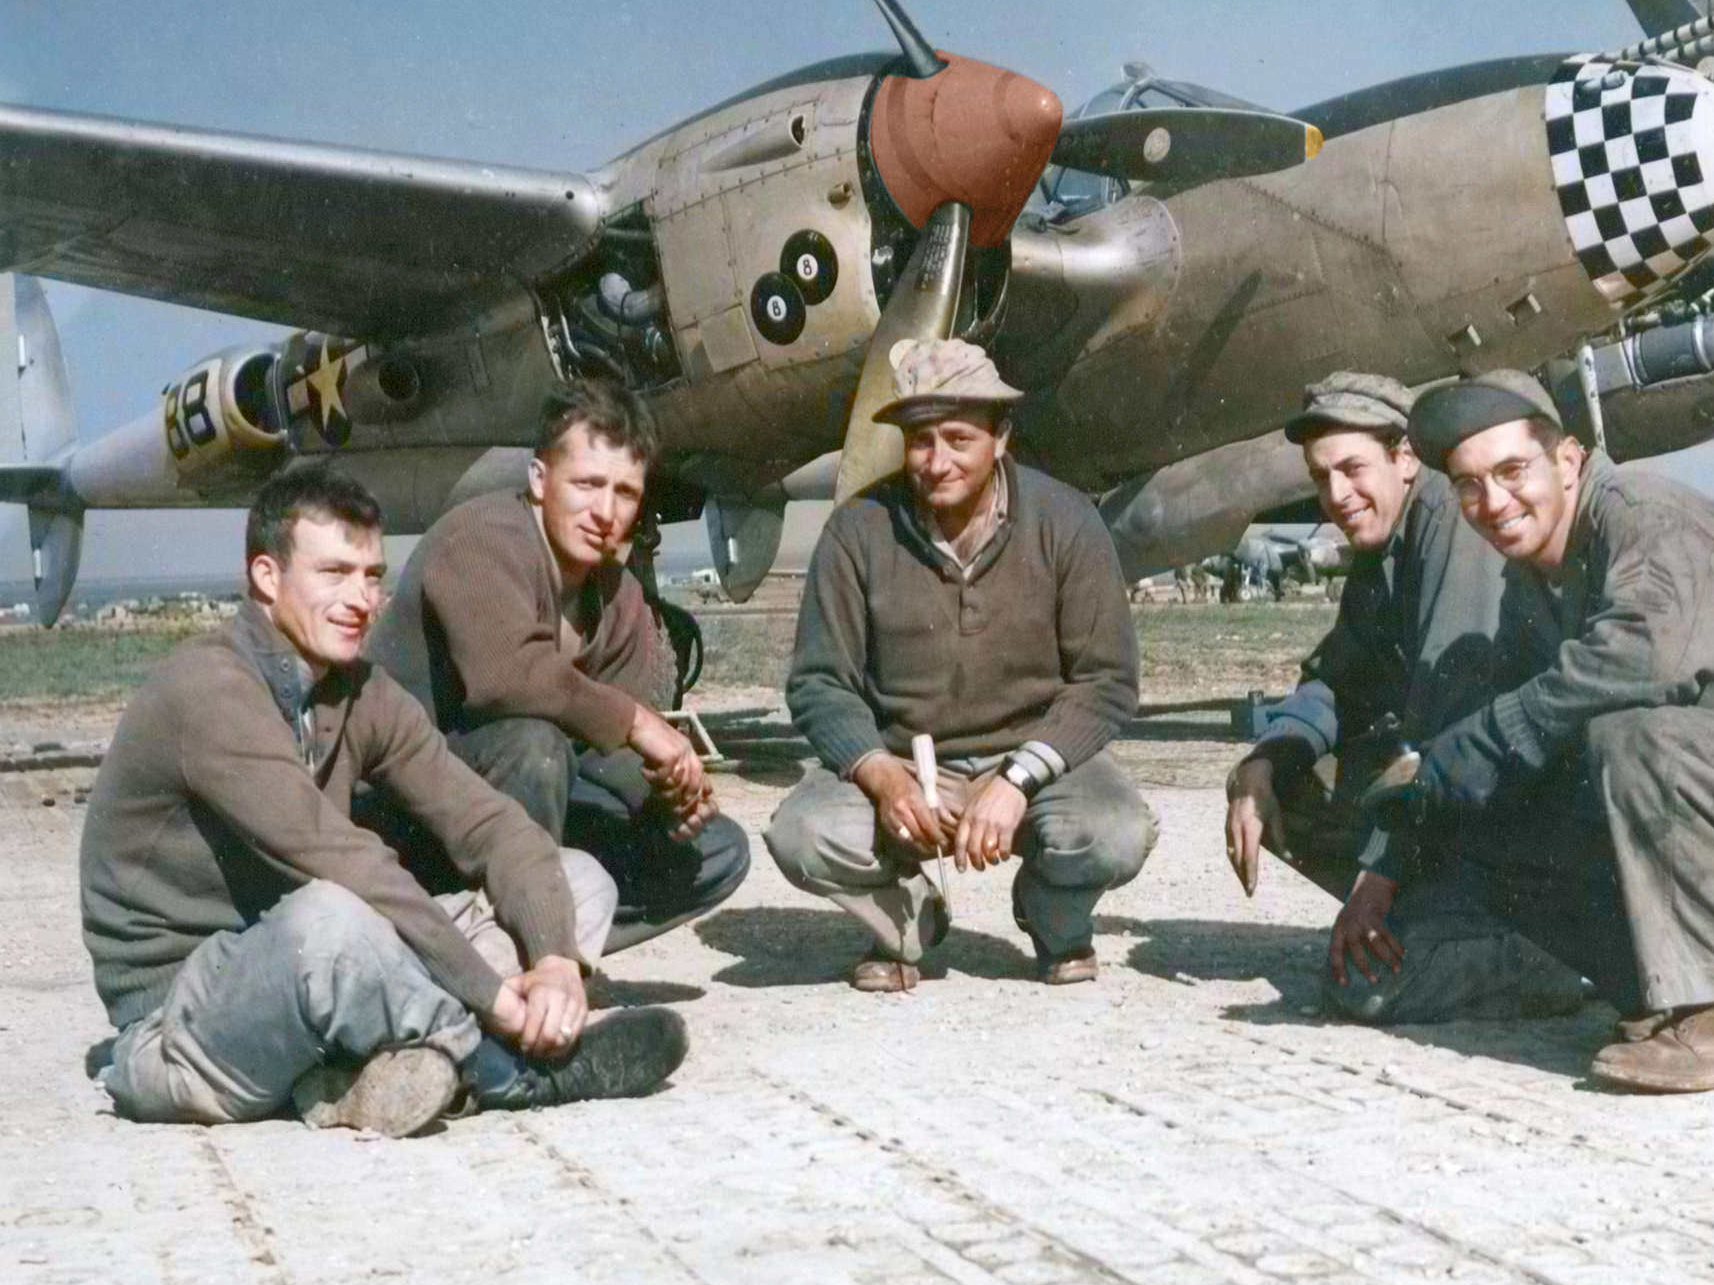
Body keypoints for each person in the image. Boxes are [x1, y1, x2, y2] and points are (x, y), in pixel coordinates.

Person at [79, 464, 687, 1137]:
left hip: (319, 965)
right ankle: (508, 1071)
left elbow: (491, 824)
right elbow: (342, 863)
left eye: (371, 576)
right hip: (186, 1015)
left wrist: (554, 961)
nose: (360, 599)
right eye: (333, 573)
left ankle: (361, 1075)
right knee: (334, 919)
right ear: (266, 577)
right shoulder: (209, 689)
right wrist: (495, 1001)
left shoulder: (355, 689)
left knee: (577, 881)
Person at [1384, 369, 1714, 1092]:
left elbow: (1650, 660)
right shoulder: (1535, 577)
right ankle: (1699, 975)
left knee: (1627, 737)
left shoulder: (1646, 514)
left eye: (1511, 471)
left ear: (1567, 461)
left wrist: (1492, 734)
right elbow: (1519, 726)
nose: (1492, 502)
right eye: (1469, 484)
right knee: (1491, 808)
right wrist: (1423, 804)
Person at [767, 339, 1156, 991]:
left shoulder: (1068, 519)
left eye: (958, 438)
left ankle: (1052, 916)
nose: (937, 461)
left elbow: (1107, 679)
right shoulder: (857, 530)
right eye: (920, 439)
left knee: (1116, 830)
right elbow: (819, 680)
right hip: (907, 760)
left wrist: (1017, 778)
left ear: (1000, 437)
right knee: (802, 834)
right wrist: (883, 775)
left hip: (1035, 759)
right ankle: (907, 922)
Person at [1223, 372, 1591, 1021]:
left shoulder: (1449, 520)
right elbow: (1339, 676)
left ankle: (1540, 955)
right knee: (1286, 784)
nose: (1337, 494)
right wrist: (1265, 760)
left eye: (1353, 468)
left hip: (1531, 799)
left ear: (1405, 457)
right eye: (1320, 476)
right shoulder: (1381, 543)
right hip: (1469, 794)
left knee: (1360, 988)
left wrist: (1376, 878)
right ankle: (1450, 915)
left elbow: (1449, 723)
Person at [368, 379, 748, 955]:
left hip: (520, 810)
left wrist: (667, 797)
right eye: (588, 484)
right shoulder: (482, 535)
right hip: (403, 810)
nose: (604, 512)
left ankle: (530, 941)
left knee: (717, 850)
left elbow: (606, 752)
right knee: (533, 744)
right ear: (540, 481)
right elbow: (508, 679)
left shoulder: (615, 595)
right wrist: (644, 724)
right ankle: (512, 953)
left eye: (625, 492)